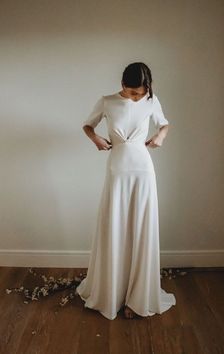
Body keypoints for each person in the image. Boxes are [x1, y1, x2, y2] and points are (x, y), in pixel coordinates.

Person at [76, 62, 176, 320]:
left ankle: (138, 297)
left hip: (144, 170)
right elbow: (87, 125)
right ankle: (113, 293)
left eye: (141, 93)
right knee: (116, 227)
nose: (136, 98)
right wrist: (96, 138)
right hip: (118, 169)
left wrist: (160, 137)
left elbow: (164, 124)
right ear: (122, 85)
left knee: (141, 229)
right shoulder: (107, 101)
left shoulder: (152, 101)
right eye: (132, 93)